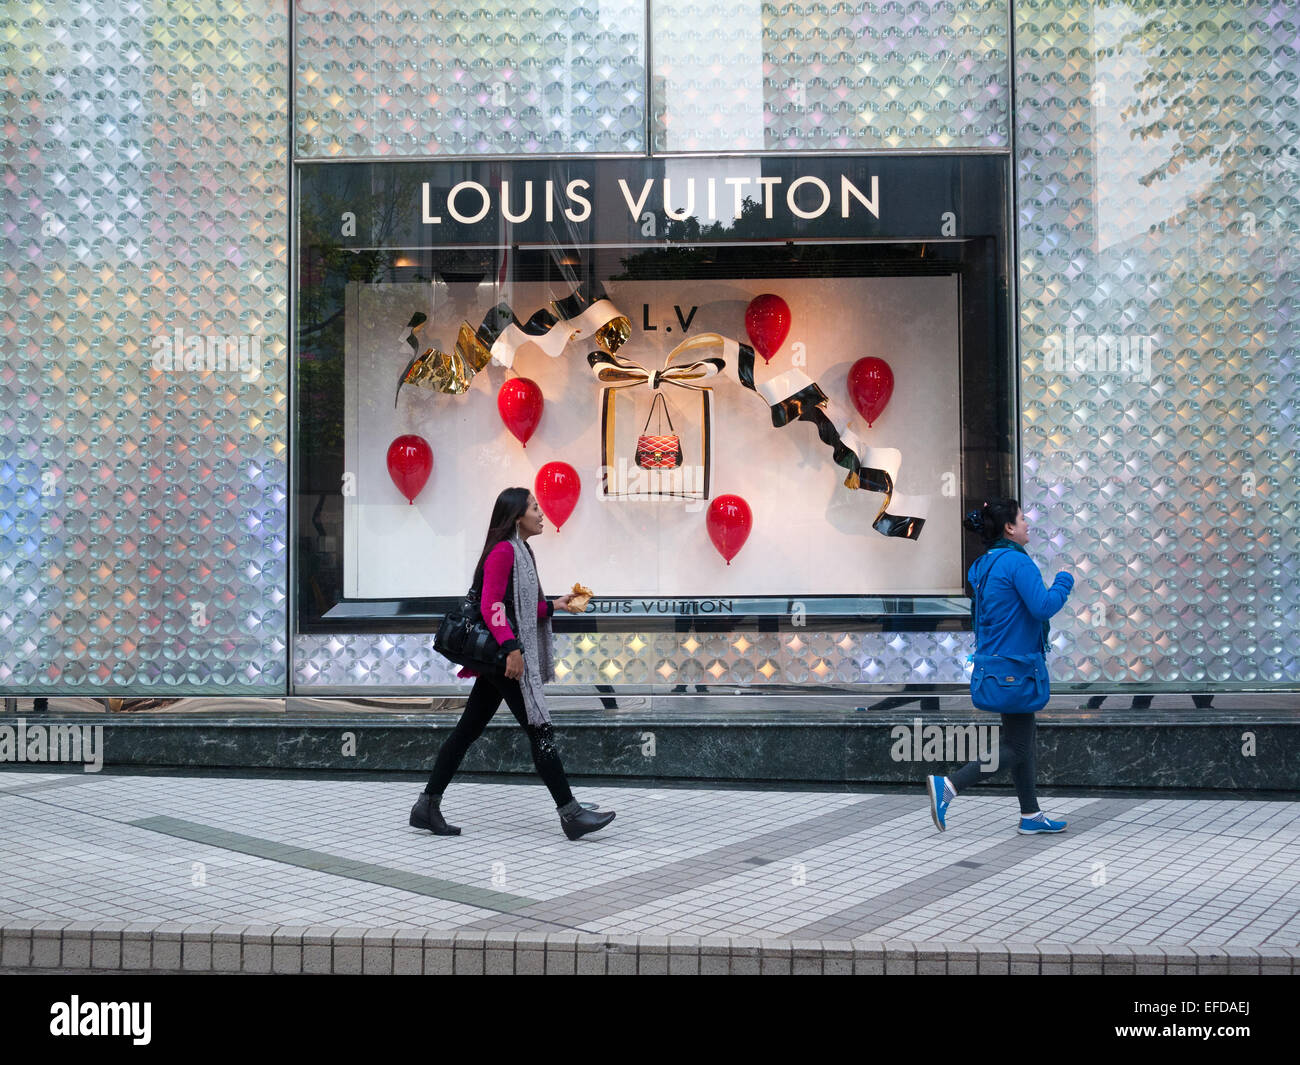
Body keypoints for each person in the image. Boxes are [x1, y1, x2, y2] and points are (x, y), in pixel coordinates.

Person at [410, 487, 616, 841]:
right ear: (517, 516)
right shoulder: (505, 551)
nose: (541, 513)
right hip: (505, 660)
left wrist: (557, 605)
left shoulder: (522, 550)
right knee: (540, 730)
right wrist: (512, 649)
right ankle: (571, 814)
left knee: (467, 731)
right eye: (535, 507)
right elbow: (492, 605)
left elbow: (521, 607)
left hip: (500, 659)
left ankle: (426, 805)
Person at [926, 498, 1074, 835]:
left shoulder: (982, 565)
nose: (1027, 524)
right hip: (1017, 667)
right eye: (1023, 519)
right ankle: (949, 785)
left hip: (995, 665)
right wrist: (1064, 580)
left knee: (1022, 741)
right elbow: (1042, 607)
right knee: (1018, 745)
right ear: (1009, 527)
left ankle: (1031, 815)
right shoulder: (1017, 564)